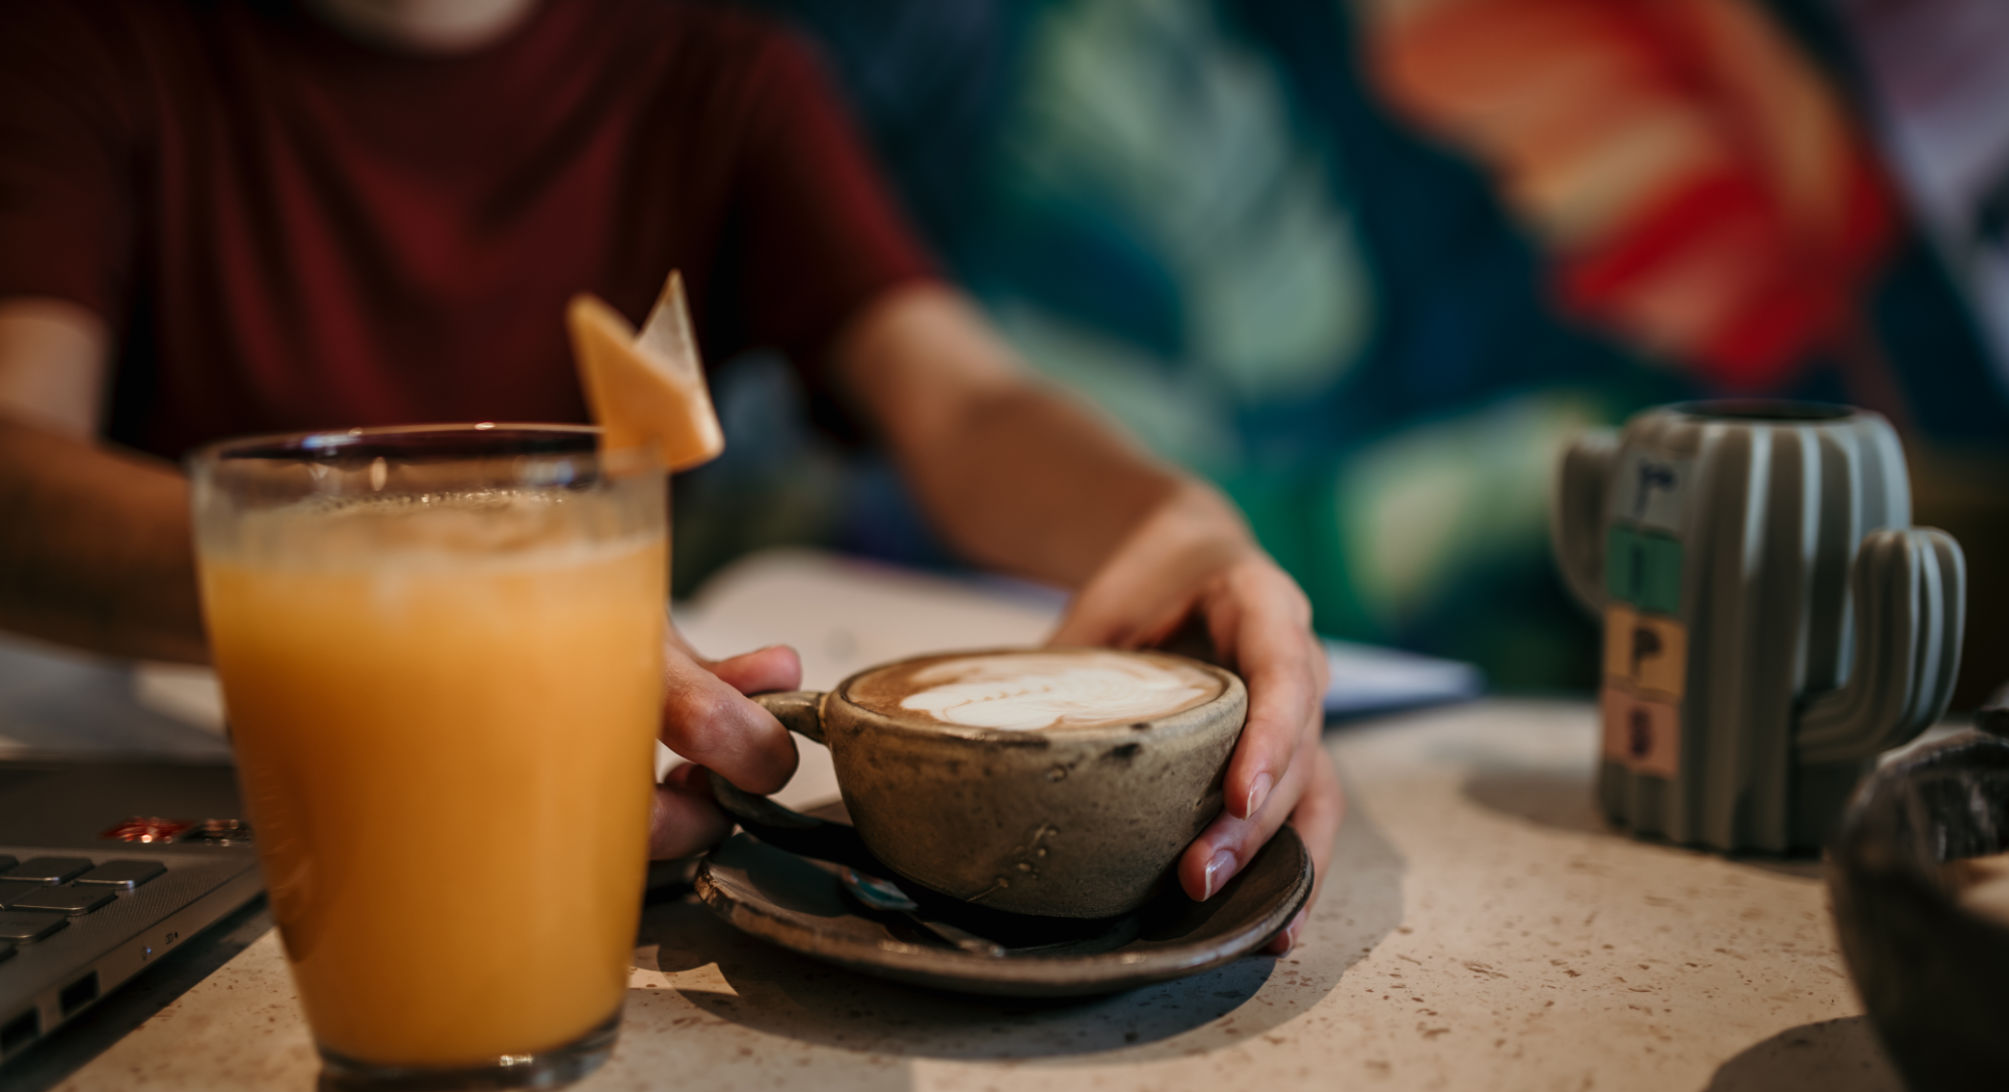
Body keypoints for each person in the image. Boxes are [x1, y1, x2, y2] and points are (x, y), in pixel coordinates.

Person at [0, 0, 1339, 947]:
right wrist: (423, 586)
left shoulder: (715, 76)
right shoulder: (87, 43)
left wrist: (1181, 520)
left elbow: (964, 401)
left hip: (592, 870)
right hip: (224, 846)